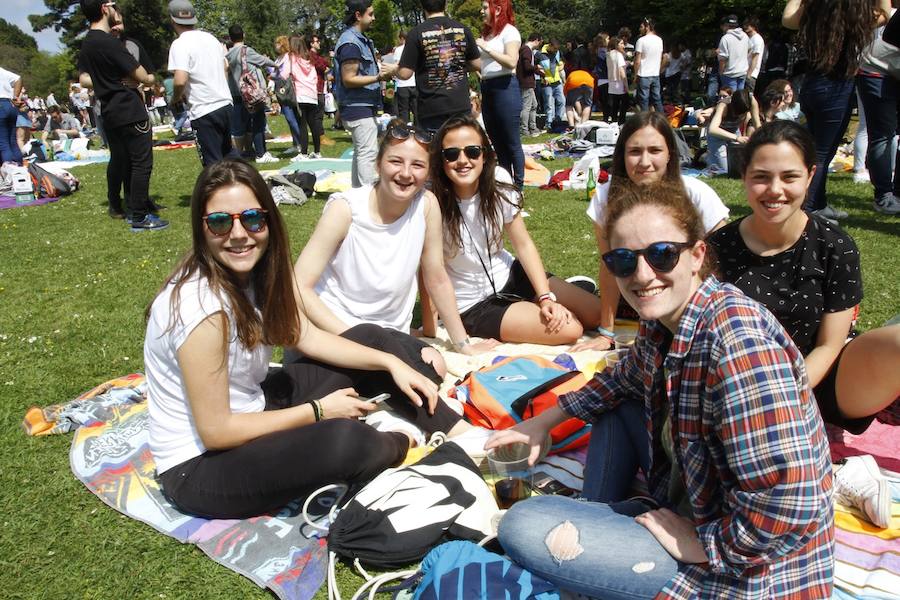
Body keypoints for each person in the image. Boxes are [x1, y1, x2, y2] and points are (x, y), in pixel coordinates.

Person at [490, 179, 834, 599]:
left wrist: (701, 544)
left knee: (523, 525)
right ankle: (598, 525)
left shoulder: (739, 347)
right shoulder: (664, 320)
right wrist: (542, 422)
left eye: (661, 254)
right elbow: (622, 379)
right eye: (622, 260)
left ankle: (602, 543)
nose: (642, 275)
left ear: (697, 255)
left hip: (749, 565)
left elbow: (790, 502)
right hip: (694, 498)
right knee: (615, 406)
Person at [144, 159, 449, 519]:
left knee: (368, 338)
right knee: (345, 441)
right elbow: (217, 431)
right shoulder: (202, 308)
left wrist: (391, 362)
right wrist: (318, 412)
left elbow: (306, 337)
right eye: (221, 222)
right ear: (202, 228)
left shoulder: (259, 272)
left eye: (252, 218)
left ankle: (458, 431)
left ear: (269, 220)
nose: (239, 234)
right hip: (202, 466)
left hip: (255, 412)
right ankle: (399, 440)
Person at [709, 120, 900, 528]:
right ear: (743, 177)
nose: (775, 190)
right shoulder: (718, 250)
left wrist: (788, 391)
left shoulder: (834, 245)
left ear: (811, 176)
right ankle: (838, 473)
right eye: (760, 177)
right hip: (745, 387)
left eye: (789, 177)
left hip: (823, 376)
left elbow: (831, 344)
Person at [291, 119, 497, 448]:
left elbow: (435, 275)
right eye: (395, 161)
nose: (406, 173)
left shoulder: (426, 206)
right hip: (330, 336)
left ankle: (379, 407)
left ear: (428, 172)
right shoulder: (346, 210)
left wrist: (462, 343)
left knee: (434, 366)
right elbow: (297, 285)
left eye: (417, 165)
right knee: (378, 343)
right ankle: (460, 434)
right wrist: (351, 338)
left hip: (387, 341)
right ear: (377, 164)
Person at [428, 115, 602, 345]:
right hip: (475, 304)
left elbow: (523, 243)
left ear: (484, 154)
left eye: (472, 151)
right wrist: (432, 329)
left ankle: (544, 301)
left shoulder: (498, 181)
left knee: (598, 313)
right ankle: (532, 309)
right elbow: (428, 271)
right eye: (451, 154)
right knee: (571, 329)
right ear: (441, 160)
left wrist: (545, 297)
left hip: (511, 275)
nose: (463, 160)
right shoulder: (431, 201)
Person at [575, 111, 729, 352]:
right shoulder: (605, 197)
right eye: (635, 151)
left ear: (670, 154)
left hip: (688, 306)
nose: (644, 162)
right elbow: (609, 267)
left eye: (655, 151)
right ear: (622, 156)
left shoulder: (697, 194)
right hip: (635, 299)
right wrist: (606, 332)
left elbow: (723, 263)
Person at [782, 0, 892, 219]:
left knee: (817, 150)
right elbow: (886, 14)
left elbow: (788, 19)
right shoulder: (856, 17)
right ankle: (810, 209)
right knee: (821, 153)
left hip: (811, 85)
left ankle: (818, 204)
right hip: (837, 87)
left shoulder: (814, 12)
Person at [77, 0, 167, 231]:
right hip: (128, 108)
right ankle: (138, 216)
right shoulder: (110, 43)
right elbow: (145, 77)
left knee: (124, 161)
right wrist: (142, 79)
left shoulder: (87, 44)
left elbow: (89, 78)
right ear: (105, 9)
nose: (116, 10)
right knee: (141, 164)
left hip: (109, 111)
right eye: (113, 5)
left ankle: (130, 209)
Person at [167, 0, 238, 167]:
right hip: (225, 103)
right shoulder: (211, 38)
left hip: (203, 109)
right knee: (229, 156)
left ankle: (217, 192)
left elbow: (180, 80)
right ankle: (246, 187)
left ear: (172, 20)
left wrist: (176, 98)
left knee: (212, 164)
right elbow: (225, 68)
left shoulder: (179, 44)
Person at [397, 0, 480, 134]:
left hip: (432, 107)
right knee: (458, 150)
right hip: (460, 103)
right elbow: (477, 64)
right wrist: (456, 64)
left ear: (422, 6)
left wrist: (393, 70)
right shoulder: (463, 29)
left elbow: (404, 73)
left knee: (434, 151)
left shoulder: (416, 33)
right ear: (445, 4)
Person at [334, 0, 394, 188]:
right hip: (356, 107)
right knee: (368, 154)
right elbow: (349, 78)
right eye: (371, 14)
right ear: (358, 15)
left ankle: (357, 195)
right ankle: (370, 198)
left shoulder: (359, 40)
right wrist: (378, 77)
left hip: (361, 106)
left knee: (362, 152)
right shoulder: (351, 43)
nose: (374, 18)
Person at [856, 4, 900, 215]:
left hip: (891, 70)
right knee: (883, 134)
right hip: (876, 71)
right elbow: (890, 35)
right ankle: (883, 196)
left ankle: (896, 194)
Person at [476, 0, 525, 188]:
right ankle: (506, 183)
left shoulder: (510, 32)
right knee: (496, 141)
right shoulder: (487, 34)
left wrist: (486, 48)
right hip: (488, 88)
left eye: (484, 7)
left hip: (505, 88)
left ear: (496, 9)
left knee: (511, 141)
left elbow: (511, 61)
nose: (481, 11)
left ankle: (518, 187)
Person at [225, 24, 277, 164]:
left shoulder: (228, 55)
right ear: (244, 35)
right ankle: (261, 154)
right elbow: (263, 61)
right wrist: (276, 64)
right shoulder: (246, 51)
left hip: (237, 94)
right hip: (251, 94)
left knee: (243, 126)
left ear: (230, 37)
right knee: (259, 122)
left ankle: (245, 152)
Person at [277, 35, 323, 159]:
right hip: (312, 94)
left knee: (302, 124)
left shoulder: (291, 57)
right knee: (313, 124)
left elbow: (284, 74)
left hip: (300, 94)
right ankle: (317, 152)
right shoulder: (309, 58)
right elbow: (314, 76)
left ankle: (303, 152)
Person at [706, 87, 761, 171]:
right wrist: (736, 138)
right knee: (724, 169)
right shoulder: (723, 105)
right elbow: (712, 129)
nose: (740, 116)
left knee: (738, 167)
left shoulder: (751, 100)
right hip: (717, 135)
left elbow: (757, 125)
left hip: (734, 131)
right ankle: (705, 157)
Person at [633, 17, 664, 112]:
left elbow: (637, 60)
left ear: (647, 27)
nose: (640, 29)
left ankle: (645, 121)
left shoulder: (641, 41)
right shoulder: (659, 40)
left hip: (643, 74)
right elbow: (660, 57)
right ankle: (661, 121)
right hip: (655, 74)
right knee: (657, 99)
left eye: (641, 26)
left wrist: (635, 75)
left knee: (644, 100)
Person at [536, 40, 565, 130]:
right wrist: (542, 75)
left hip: (557, 81)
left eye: (557, 49)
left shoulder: (557, 52)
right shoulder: (539, 54)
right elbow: (535, 67)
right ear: (550, 46)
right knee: (549, 104)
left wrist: (561, 67)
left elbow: (561, 62)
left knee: (562, 101)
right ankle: (549, 123)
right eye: (555, 49)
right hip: (546, 83)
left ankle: (558, 120)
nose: (556, 50)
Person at [517, 33, 541, 137]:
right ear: (536, 40)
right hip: (526, 82)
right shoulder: (526, 50)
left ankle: (533, 127)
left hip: (528, 82)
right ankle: (524, 129)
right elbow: (527, 67)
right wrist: (537, 67)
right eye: (540, 42)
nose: (539, 45)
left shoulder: (525, 49)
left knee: (533, 105)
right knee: (526, 107)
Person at [717, 14, 749, 91]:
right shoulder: (745, 36)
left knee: (730, 99)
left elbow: (723, 58)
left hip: (729, 73)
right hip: (742, 72)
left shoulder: (725, 38)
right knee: (741, 98)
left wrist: (721, 72)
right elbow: (750, 50)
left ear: (726, 25)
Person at [391, 31, 417, 125]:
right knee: (416, 110)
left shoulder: (398, 50)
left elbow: (396, 65)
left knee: (404, 111)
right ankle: (419, 130)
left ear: (402, 38)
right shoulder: (415, 48)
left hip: (402, 83)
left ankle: (405, 131)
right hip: (414, 83)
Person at [0, 66, 23, 165]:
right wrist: (15, 96)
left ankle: (9, 171)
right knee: (12, 141)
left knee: (3, 143)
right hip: (10, 104)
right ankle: (19, 167)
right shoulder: (2, 71)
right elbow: (18, 78)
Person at [605, 36, 628, 125]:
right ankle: (621, 121)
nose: (623, 46)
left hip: (611, 81)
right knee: (624, 103)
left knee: (615, 104)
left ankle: (614, 121)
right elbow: (621, 70)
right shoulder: (619, 55)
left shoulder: (609, 54)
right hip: (619, 82)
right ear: (616, 44)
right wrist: (625, 84)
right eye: (621, 43)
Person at [743, 17, 765, 93]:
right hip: (744, 72)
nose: (745, 27)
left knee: (748, 97)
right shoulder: (749, 38)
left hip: (750, 75)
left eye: (747, 25)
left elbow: (755, 58)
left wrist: (749, 75)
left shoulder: (757, 39)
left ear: (753, 26)